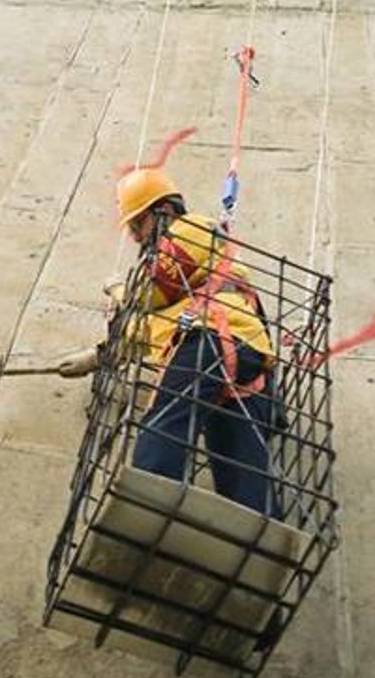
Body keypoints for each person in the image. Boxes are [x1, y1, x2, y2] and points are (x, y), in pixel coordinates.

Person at [59, 166, 281, 518]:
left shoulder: (190, 229)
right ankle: (263, 541)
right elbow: (150, 328)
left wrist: (119, 289)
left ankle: (145, 512)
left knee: (164, 421)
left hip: (212, 342)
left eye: (137, 224)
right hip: (239, 354)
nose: (134, 237)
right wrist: (100, 356)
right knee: (239, 465)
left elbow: (149, 293)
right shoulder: (186, 299)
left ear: (162, 211)